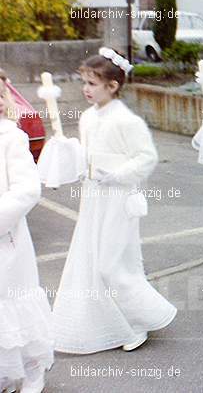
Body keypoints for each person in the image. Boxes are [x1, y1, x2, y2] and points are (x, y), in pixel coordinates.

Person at [52, 49, 177, 353]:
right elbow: (87, 156)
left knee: (113, 263)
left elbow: (146, 158)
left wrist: (117, 175)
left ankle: (140, 320)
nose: (86, 89)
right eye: (84, 82)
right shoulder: (87, 117)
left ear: (113, 86)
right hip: (94, 197)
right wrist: (69, 152)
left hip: (118, 198)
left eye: (93, 83)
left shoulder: (126, 120)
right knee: (93, 261)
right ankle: (110, 323)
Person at [0, 71, 53, 393]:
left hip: (8, 239)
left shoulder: (10, 136)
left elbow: (27, 189)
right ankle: (6, 372)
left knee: (15, 302)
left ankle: (34, 370)